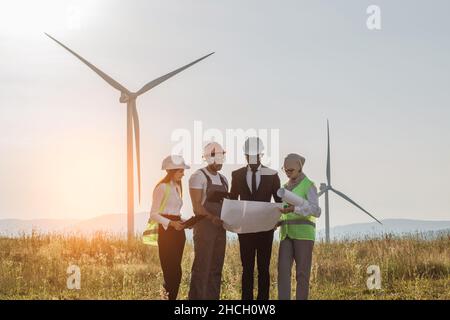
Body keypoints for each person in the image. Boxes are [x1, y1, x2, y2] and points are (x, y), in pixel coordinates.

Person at [229, 137, 282, 300]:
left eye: (254, 155)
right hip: (245, 229)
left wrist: (277, 220)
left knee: (264, 268)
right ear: (245, 155)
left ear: (261, 155)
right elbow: (232, 200)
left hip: (266, 229)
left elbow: (279, 201)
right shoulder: (237, 175)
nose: (251, 159)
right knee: (247, 268)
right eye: (248, 156)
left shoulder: (273, 175)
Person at [277, 153, 321, 300]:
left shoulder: (309, 185)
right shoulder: (284, 188)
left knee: (302, 274)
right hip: (286, 234)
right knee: (283, 271)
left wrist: (294, 209)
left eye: (291, 170)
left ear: (299, 168)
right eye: (286, 170)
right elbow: (283, 210)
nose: (288, 173)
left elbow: (316, 210)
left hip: (304, 235)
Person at [188, 142, 229, 300]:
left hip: (220, 228)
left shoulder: (224, 179)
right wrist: (212, 218)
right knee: (201, 268)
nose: (220, 163)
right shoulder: (198, 177)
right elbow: (197, 207)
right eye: (217, 159)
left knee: (216, 268)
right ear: (208, 158)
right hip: (205, 227)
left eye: (222, 159)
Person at [150, 155, 190, 300]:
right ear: (172, 171)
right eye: (181, 171)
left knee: (177, 272)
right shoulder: (161, 188)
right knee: (170, 272)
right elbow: (153, 214)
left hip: (179, 233)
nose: (183, 174)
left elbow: (175, 213)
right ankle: (167, 298)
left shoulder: (177, 187)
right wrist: (172, 223)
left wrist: (186, 222)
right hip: (167, 233)